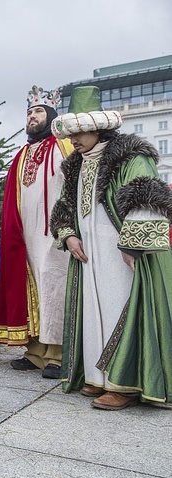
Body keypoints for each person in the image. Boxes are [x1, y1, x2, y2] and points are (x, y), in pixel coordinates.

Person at [50, 85, 172, 410]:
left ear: (98, 126)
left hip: (120, 249)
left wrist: (132, 244)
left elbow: (148, 197)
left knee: (121, 306)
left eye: (79, 131)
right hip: (87, 252)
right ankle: (97, 376)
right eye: (70, 132)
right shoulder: (74, 165)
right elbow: (64, 205)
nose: (72, 139)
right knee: (92, 310)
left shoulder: (131, 156)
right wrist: (68, 234)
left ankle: (125, 383)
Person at [0, 86, 73, 379]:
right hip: (25, 235)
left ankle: (58, 353)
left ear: (51, 115)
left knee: (54, 289)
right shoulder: (22, 154)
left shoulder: (64, 146)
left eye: (38, 111)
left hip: (55, 233)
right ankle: (36, 351)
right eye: (29, 113)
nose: (32, 117)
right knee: (31, 290)